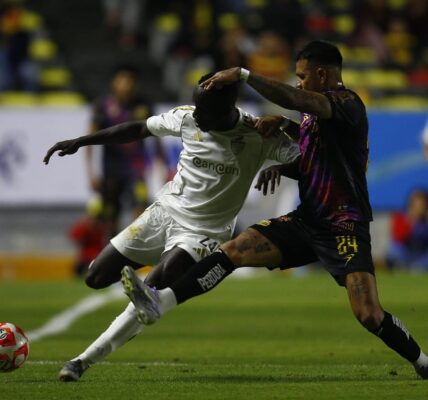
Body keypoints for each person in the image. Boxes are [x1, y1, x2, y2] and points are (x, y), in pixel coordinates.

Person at [121, 41, 428, 379]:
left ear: (322, 74)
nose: (298, 82)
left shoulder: (347, 103)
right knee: (234, 250)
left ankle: (422, 362)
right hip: (307, 220)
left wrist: (244, 75)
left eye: (302, 76)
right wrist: (284, 130)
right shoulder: (316, 112)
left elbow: (299, 100)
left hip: (343, 226)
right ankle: (160, 301)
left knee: (369, 314)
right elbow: (317, 152)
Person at [43, 73, 300, 381]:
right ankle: (148, 286)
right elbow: (140, 128)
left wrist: (283, 160)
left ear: (227, 109)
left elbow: (312, 159)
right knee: (95, 277)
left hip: (202, 232)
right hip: (163, 213)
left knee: (149, 294)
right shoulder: (187, 117)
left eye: (204, 112)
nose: (197, 116)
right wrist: (82, 141)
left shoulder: (259, 135)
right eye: (196, 108)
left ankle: (82, 361)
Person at [86, 65, 153, 241]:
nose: (126, 84)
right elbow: (90, 140)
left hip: (136, 168)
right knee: (109, 216)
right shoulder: (103, 106)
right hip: (111, 170)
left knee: (141, 212)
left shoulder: (143, 105)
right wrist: (91, 173)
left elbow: (156, 137)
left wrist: (161, 166)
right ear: (114, 83)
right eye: (122, 80)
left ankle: (138, 250)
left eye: (130, 80)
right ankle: (111, 253)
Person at [385, 188, 428, 271]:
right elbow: (398, 238)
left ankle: (414, 268)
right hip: (406, 252)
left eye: (422, 204)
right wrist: (411, 221)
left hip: (422, 253)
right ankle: (403, 266)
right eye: (417, 204)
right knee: (394, 251)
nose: (420, 207)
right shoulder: (401, 217)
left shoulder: (425, 220)